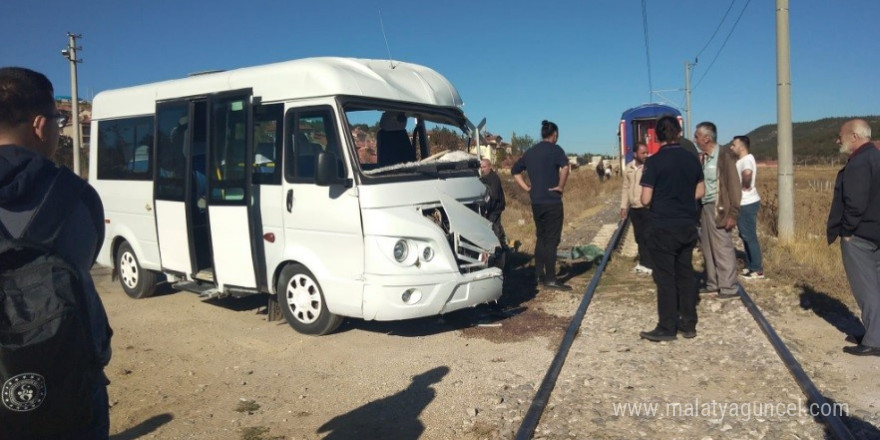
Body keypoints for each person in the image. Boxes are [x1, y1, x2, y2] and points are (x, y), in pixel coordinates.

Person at [0, 67, 112, 438]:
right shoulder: (76, 197)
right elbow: (85, 259)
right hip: (70, 386)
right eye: (58, 119)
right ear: (40, 125)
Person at [638, 116, 705, 341]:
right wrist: (682, 199)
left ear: (657, 136)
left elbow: (646, 199)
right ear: (678, 133)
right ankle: (688, 324)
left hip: (663, 226)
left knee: (665, 277)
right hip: (686, 224)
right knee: (685, 273)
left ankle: (667, 327)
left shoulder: (654, 162)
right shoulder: (692, 160)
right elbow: (700, 191)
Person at [827, 119, 880, 357]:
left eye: (841, 136)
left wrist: (846, 231)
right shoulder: (876, 157)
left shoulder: (859, 163)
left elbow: (855, 204)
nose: (838, 140)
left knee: (866, 289)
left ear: (854, 137)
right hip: (875, 232)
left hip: (860, 235)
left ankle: (875, 340)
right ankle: (873, 331)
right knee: (875, 286)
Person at [512, 120, 572, 291]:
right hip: (552, 201)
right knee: (552, 240)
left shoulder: (530, 152)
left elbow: (515, 171)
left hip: (536, 201)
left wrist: (527, 188)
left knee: (541, 237)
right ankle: (551, 278)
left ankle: (539, 274)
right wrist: (560, 186)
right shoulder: (556, 150)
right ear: (554, 135)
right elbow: (566, 167)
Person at [694, 121, 742, 300]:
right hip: (705, 206)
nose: (695, 140)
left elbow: (734, 186)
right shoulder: (704, 158)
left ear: (706, 138)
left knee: (722, 247)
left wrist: (733, 213)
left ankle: (728, 287)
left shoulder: (724, 156)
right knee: (707, 246)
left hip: (719, 206)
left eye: (697, 136)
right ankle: (713, 283)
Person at [731, 135, 764, 280]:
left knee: (749, 236)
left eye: (734, 145)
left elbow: (747, 173)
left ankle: (757, 269)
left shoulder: (747, 160)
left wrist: (745, 185)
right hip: (743, 202)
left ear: (742, 147)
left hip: (747, 202)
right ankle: (750, 265)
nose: (732, 147)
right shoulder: (742, 160)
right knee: (744, 235)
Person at [620, 142, 653, 275]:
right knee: (639, 236)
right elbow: (625, 187)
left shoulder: (649, 167)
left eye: (646, 152)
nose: (646, 155)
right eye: (643, 153)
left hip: (647, 207)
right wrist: (623, 206)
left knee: (648, 235)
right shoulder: (629, 168)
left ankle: (648, 264)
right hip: (634, 208)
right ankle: (643, 262)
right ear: (635, 154)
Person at [479, 158, 507, 248]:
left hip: (495, 207)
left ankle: (499, 247)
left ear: (490, 167)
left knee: (494, 227)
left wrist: (488, 209)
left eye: (484, 167)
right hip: (491, 207)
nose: (483, 169)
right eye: (481, 167)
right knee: (495, 226)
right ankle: (502, 244)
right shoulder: (484, 178)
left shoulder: (494, 178)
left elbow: (494, 196)